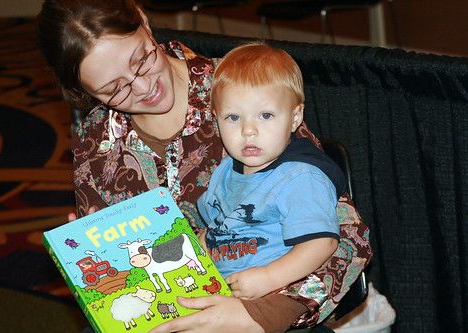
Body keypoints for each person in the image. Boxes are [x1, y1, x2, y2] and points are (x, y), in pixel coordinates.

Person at [36, 1, 371, 332]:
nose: (142, 87)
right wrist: (95, 253)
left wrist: (260, 316)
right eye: (114, 89)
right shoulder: (96, 144)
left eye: (141, 60)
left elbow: (348, 237)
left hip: (259, 308)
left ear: (143, 20)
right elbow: (131, 269)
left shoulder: (241, 91)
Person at [198, 43, 345, 301]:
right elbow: (215, 228)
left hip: (272, 292)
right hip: (221, 290)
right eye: (233, 118)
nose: (248, 130)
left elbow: (322, 243)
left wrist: (269, 277)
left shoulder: (300, 178)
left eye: (265, 115)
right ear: (216, 118)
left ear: (295, 117)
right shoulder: (223, 172)